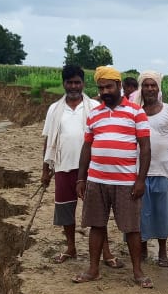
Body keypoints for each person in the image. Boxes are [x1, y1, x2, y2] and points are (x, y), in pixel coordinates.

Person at [72, 66, 153, 288]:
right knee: (96, 226)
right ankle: (93, 269)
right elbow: (86, 148)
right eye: (101, 87)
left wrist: (140, 180)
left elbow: (145, 149)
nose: (105, 91)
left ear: (119, 86)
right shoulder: (94, 114)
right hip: (96, 181)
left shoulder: (137, 112)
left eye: (109, 86)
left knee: (132, 228)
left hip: (126, 182)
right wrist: (81, 179)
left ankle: (137, 272)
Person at [40, 65, 121, 267]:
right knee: (66, 210)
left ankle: (106, 252)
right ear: (64, 84)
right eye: (70, 82)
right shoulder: (54, 109)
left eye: (77, 82)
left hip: (92, 168)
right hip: (62, 166)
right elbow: (49, 139)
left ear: (83, 84)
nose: (74, 86)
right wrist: (45, 169)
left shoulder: (95, 106)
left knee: (97, 213)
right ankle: (70, 247)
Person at [135, 70, 168, 267]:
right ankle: (143, 247)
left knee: (162, 212)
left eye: (153, 85)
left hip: (163, 171)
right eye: (146, 85)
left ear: (158, 87)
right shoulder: (135, 111)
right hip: (139, 172)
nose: (149, 89)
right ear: (141, 88)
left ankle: (163, 251)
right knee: (141, 213)